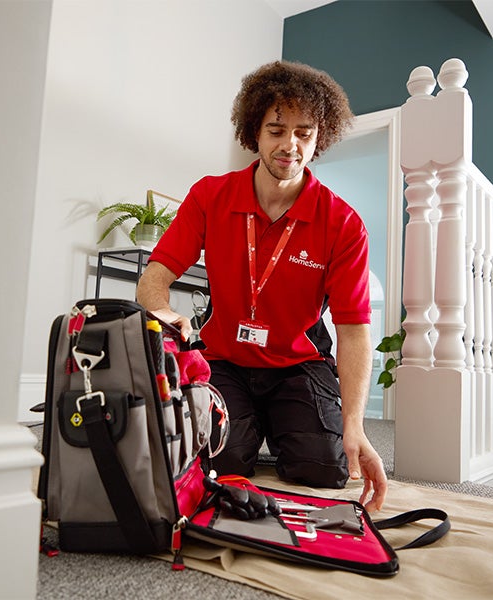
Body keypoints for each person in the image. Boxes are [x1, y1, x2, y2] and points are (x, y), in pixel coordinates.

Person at [136, 60, 387, 511]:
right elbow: (155, 275)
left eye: (304, 133)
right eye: (276, 130)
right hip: (225, 360)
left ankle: (285, 421)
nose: (290, 145)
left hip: (299, 362)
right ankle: (253, 428)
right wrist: (163, 311)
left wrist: (355, 423)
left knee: (327, 468)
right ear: (255, 131)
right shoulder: (209, 196)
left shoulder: (343, 223)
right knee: (222, 464)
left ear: (319, 137)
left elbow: (353, 331)